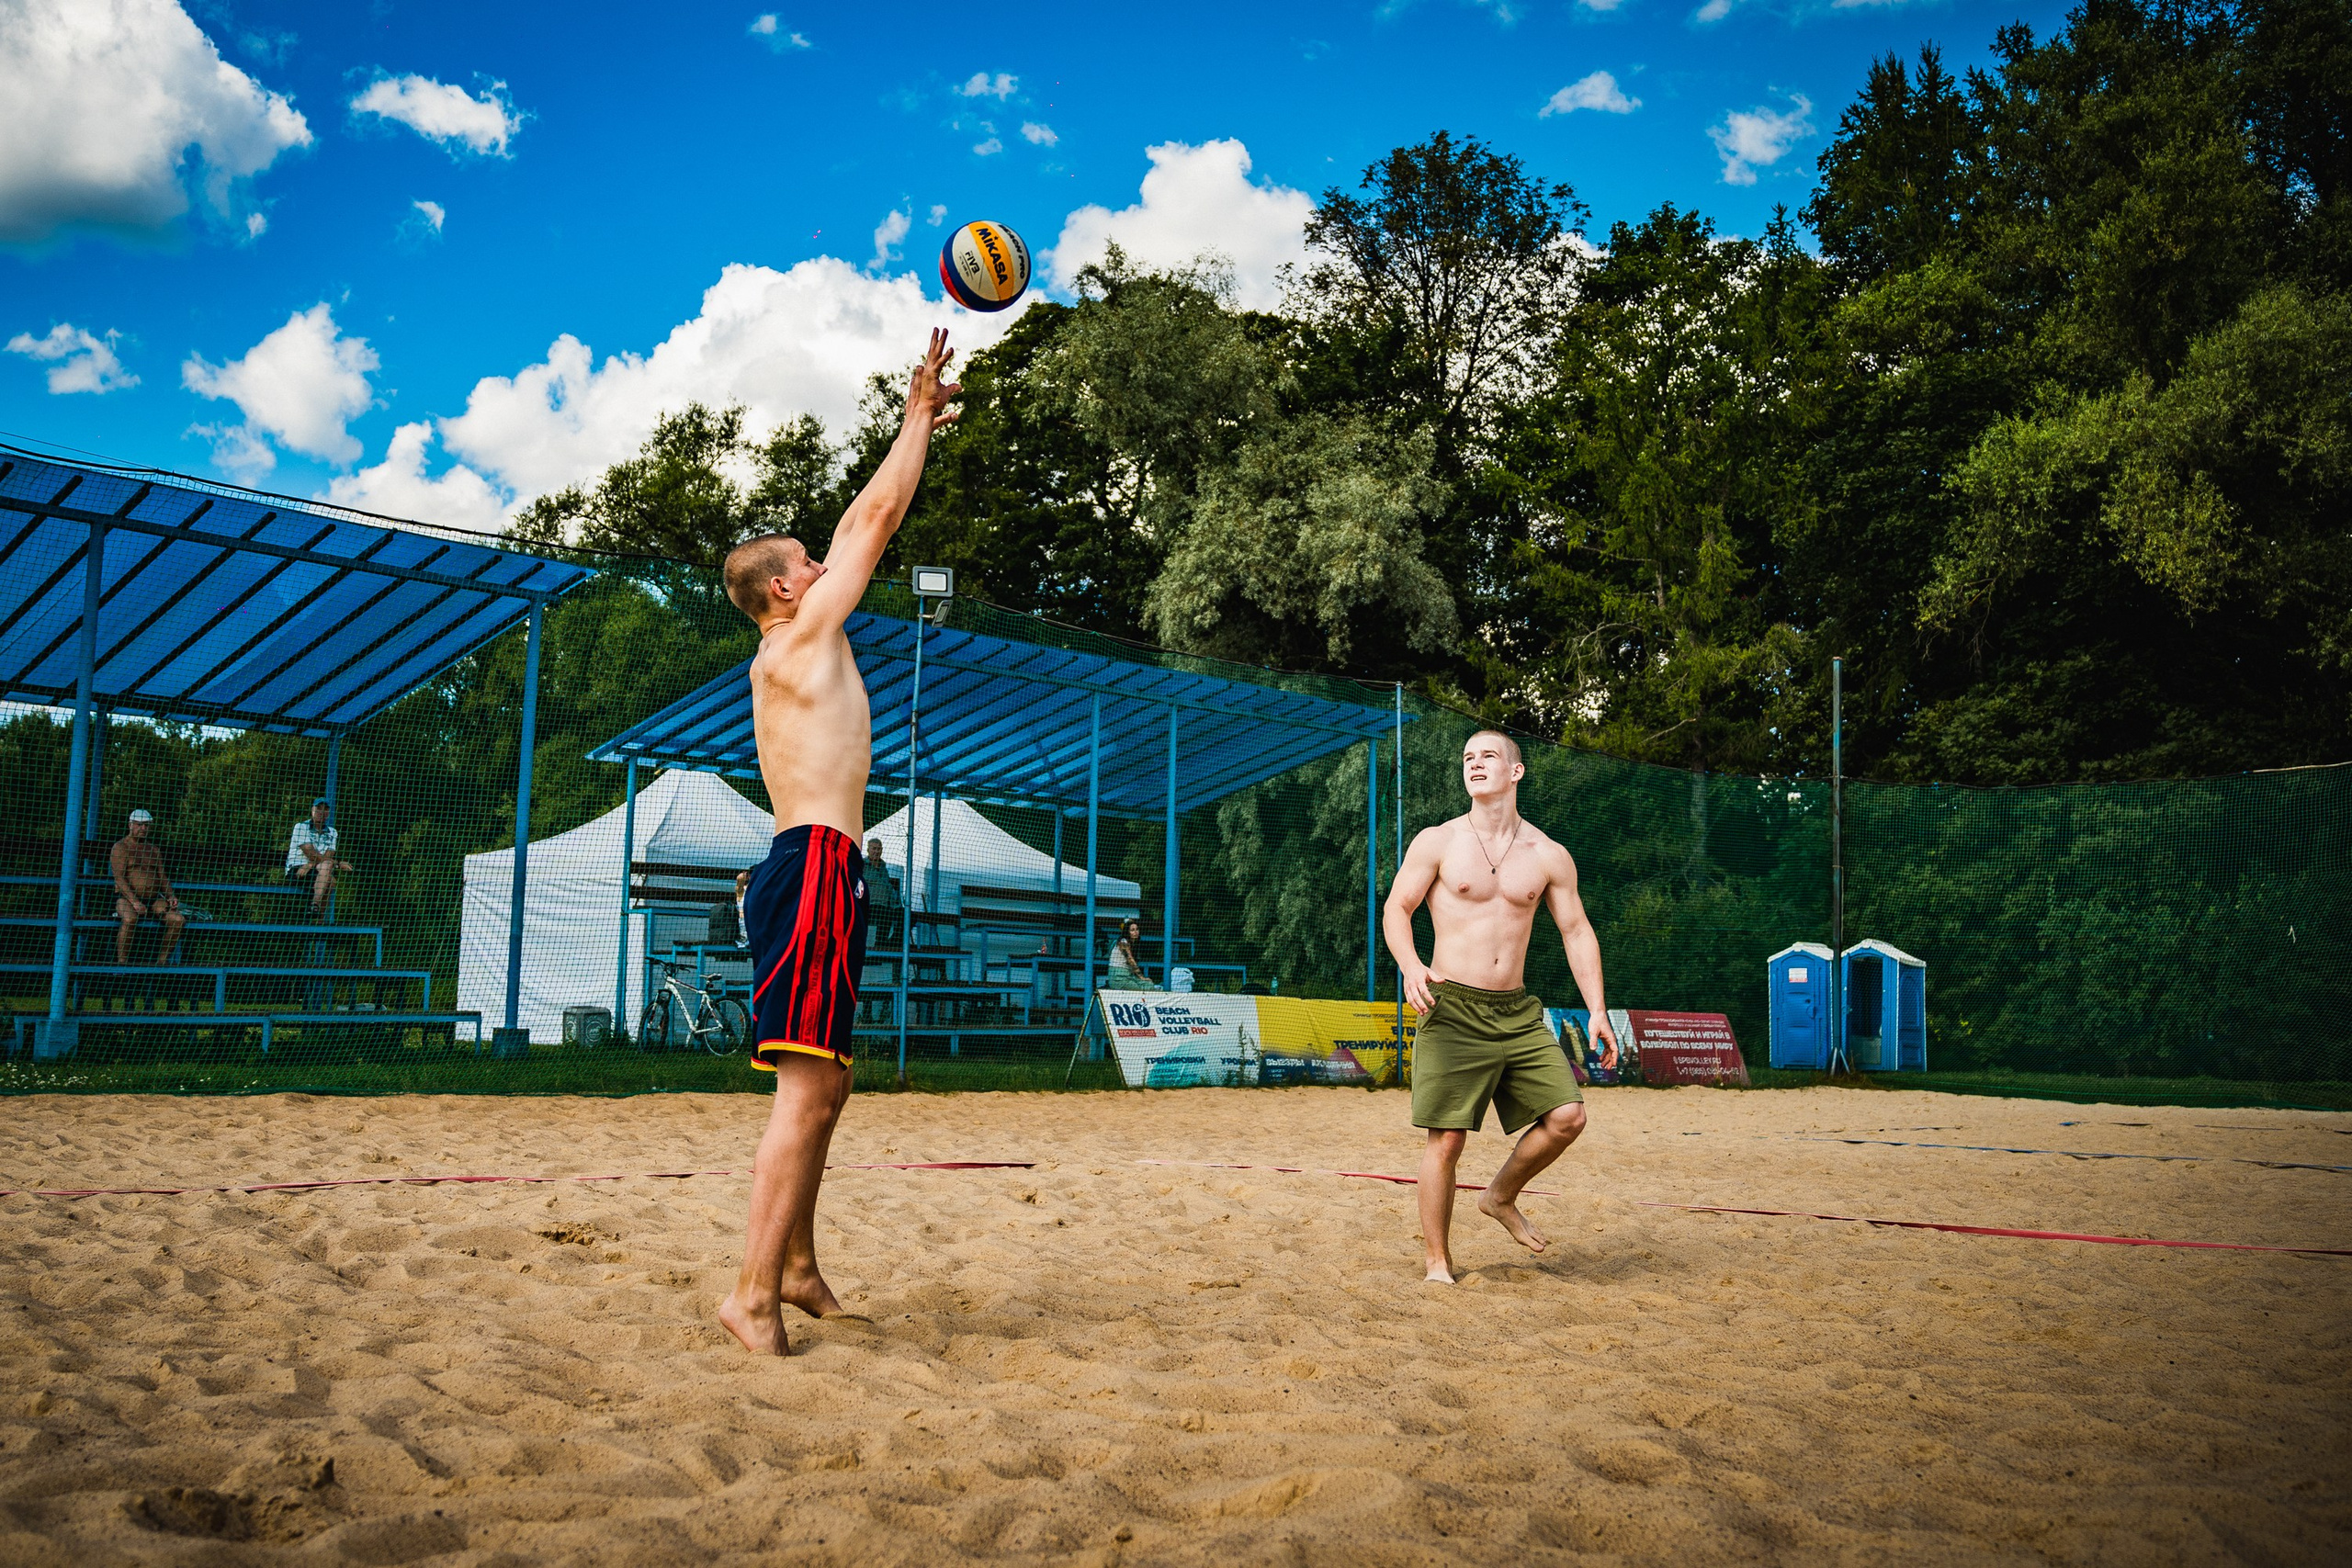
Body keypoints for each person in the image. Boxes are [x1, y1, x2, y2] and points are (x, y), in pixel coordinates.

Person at [714, 328, 961, 1356]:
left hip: (821, 865)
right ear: (783, 589)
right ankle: (750, 1294)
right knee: (809, 1089)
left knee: (831, 1080)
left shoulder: (790, 649)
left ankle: (801, 1268)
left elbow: (856, 531)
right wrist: (913, 420)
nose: (825, 566)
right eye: (807, 564)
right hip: (813, 863)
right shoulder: (802, 634)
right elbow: (875, 517)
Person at [1383, 729, 1618, 1284]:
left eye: (1488, 755)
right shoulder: (1437, 841)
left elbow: (1576, 930)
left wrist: (1599, 1010)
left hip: (1515, 1010)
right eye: (1467, 756)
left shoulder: (1548, 854)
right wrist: (1412, 968)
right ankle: (1438, 1264)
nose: (1475, 763)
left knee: (1568, 1116)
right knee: (1447, 1139)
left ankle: (1500, 1196)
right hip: (1452, 1004)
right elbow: (1397, 907)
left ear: (1516, 772)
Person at [110, 808, 185, 964]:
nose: (143, 829)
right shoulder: (121, 847)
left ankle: (161, 962)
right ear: (130, 825)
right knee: (130, 919)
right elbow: (119, 878)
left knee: (178, 920)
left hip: (153, 899)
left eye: (146, 825)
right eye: (140, 825)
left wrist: (171, 896)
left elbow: (162, 876)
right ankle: (122, 963)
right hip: (126, 899)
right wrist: (135, 902)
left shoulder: (153, 850)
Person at [286, 797, 353, 918]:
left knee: (327, 871)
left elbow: (327, 856)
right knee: (330, 880)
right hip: (298, 869)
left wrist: (311, 864)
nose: (321, 812)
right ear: (312, 810)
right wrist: (337, 864)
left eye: (325, 809)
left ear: (328, 813)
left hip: (316, 869)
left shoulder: (332, 832)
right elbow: (310, 853)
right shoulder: (300, 827)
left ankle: (314, 906)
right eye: (318, 808)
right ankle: (319, 922)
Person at [1105, 918, 1159, 991]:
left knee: (1149, 984)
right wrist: (1141, 977)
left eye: (1137, 929)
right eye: (1132, 930)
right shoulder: (1123, 942)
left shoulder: (1133, 944)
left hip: (1128, 975)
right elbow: (1130, 960)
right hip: (1119, 977)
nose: (1135, 932)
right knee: (1146, 988)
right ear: (1127, 932)